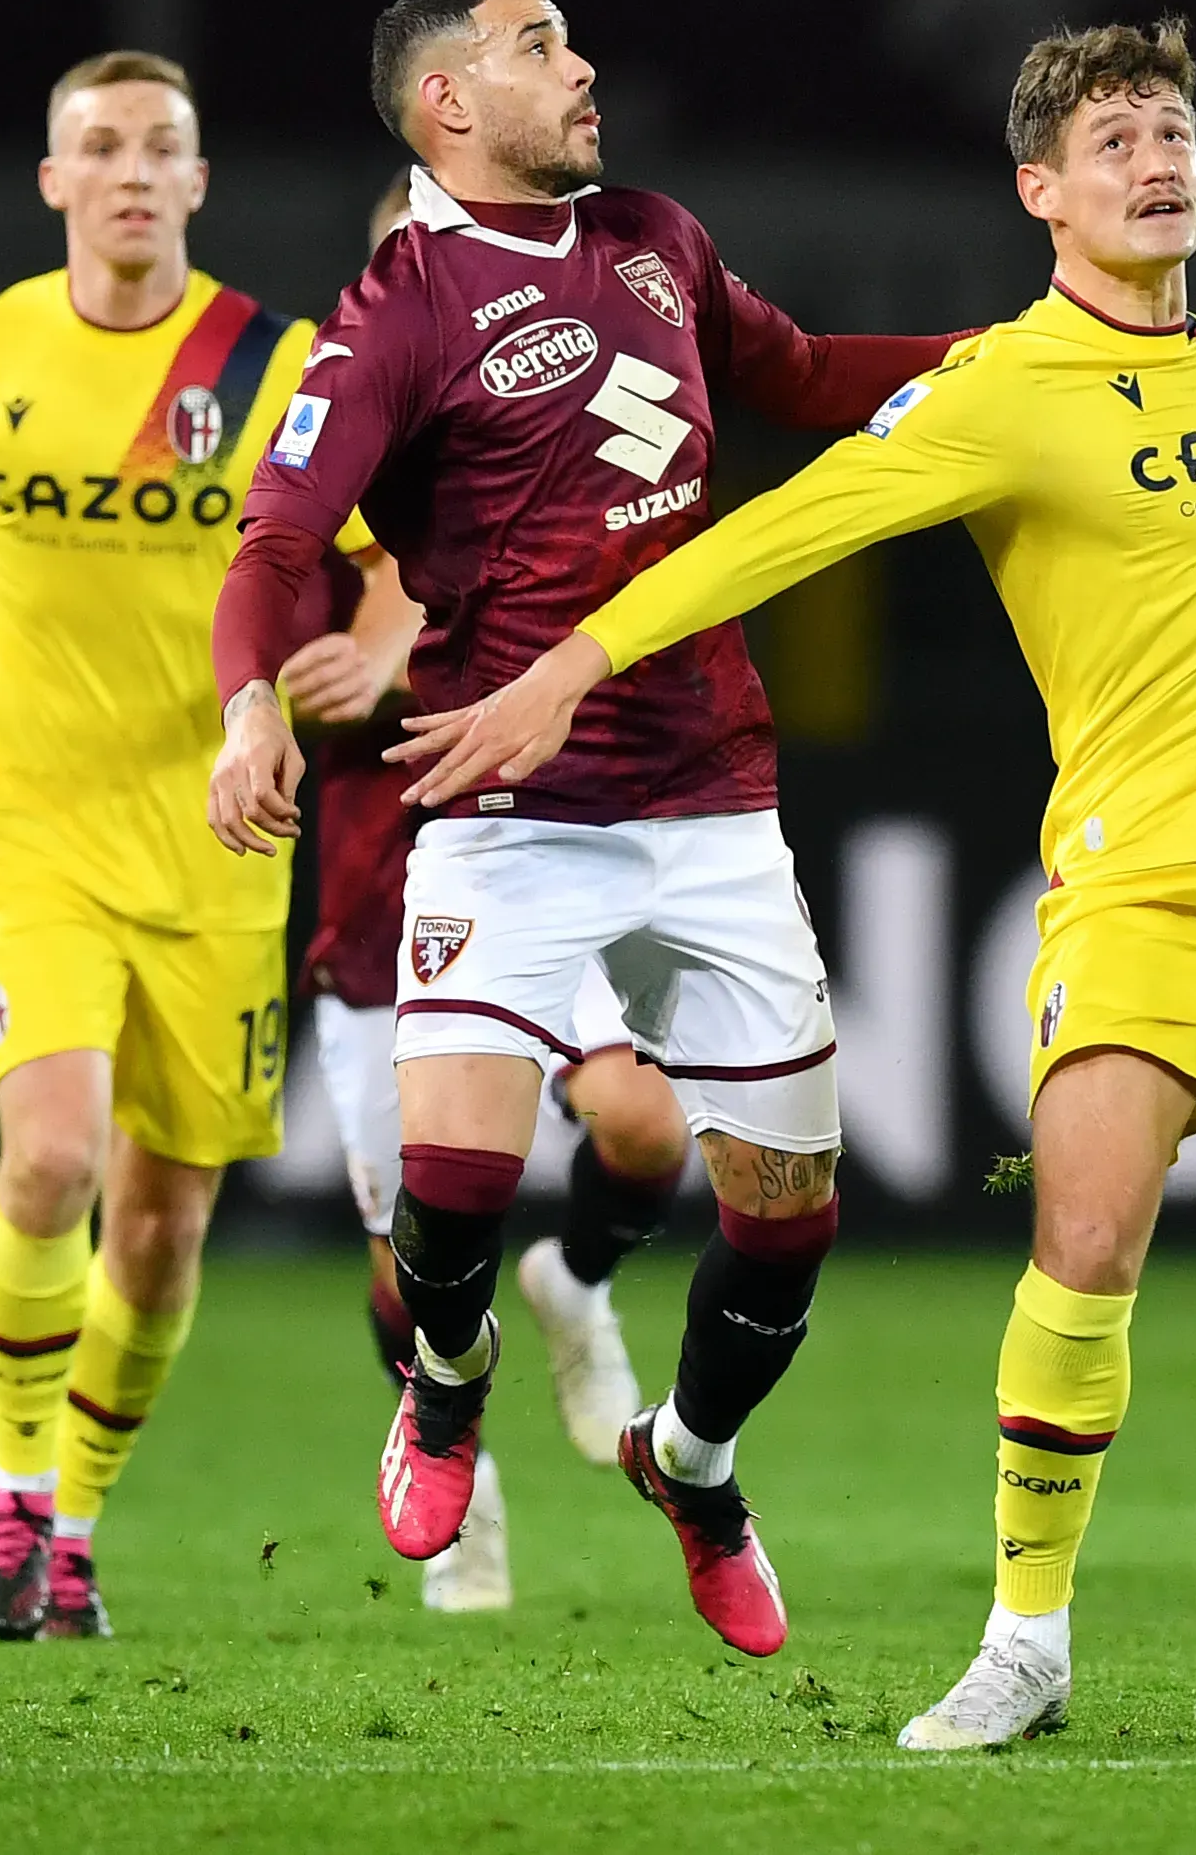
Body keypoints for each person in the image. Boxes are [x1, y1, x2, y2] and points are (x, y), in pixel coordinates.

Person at [391, 18, 1196, 1744]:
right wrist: (566, 664)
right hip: (1146, 891)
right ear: (1039, 192)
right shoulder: (995, 390)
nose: (1160, 159)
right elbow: (782, 530)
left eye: (1174, 132)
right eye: (1118, 140)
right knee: (1080, 1243)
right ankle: (1026, 1644)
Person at [205, 0, 963, 1656]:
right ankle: (452, 1392)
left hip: (710, 794)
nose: (585, 62)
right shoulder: (391, 312)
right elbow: (273, 545)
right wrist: (251, 700)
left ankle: (692, 1467)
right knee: (458, 1181)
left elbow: (812, 372)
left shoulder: (658, 239)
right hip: (509, 803)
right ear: (448, 107)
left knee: (785, 1223)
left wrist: (1016, 354)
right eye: (538, 45)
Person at [0, 51, 322, 1644]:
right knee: (50, 1154)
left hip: (220, 847)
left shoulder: (273, 362)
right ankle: (11, 1492)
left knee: (161, 1228)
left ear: (194, 181)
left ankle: (79, 1522)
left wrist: (360, 658)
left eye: (158, 145)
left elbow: (376, 565)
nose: (127, 172)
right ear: (53, 183)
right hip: (21, 825)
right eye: (96, 146)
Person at [278, 174, 697, 1616]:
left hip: (524, 856)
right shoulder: (324, 452)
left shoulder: (546, 433)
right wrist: (252, 708)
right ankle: (452, 1462)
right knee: (415, 1262)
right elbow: (265, 607)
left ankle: (578, 1281)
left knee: (645, 1117)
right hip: (373, 911)